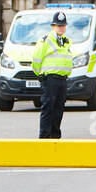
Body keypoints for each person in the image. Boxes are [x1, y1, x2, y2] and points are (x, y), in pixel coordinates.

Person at [31, 11, 76, 140]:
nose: (61, 28)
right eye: (58, 25)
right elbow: (36, 59)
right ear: (53, 26)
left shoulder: (66, 41)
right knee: (48, 108)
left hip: (62, 79)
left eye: (63, 25)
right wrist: (40, 74)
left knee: (59, 109)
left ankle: (55, 136)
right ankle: (44, 137)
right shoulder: (46, 40)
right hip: (50, 79)